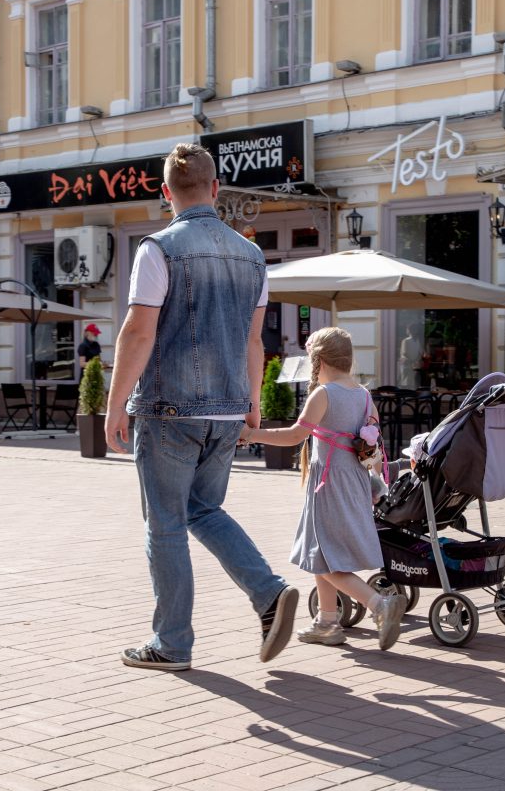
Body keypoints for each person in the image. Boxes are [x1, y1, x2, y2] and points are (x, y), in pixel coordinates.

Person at [105, 143, 298, 672]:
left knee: (166, 522)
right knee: (203, 510)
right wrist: (254, 404)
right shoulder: (253, 255)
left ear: (166, 194)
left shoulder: (159, 248)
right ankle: (268, 592)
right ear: (216, 190)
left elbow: (139, 330)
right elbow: (255, 341)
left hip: (171, 409)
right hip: (228, 407)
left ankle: (171, 644)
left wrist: (115, 402)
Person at [243, 327, 406, 651]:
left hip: (327, 484)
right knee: (323, 552)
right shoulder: (363, 394)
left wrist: (251, 434)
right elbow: (371, 439)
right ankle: (327, 621)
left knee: (324, 556)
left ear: (317, 359)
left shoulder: (324, 393)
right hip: (355, 482)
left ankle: (379, 605)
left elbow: (294, 436)